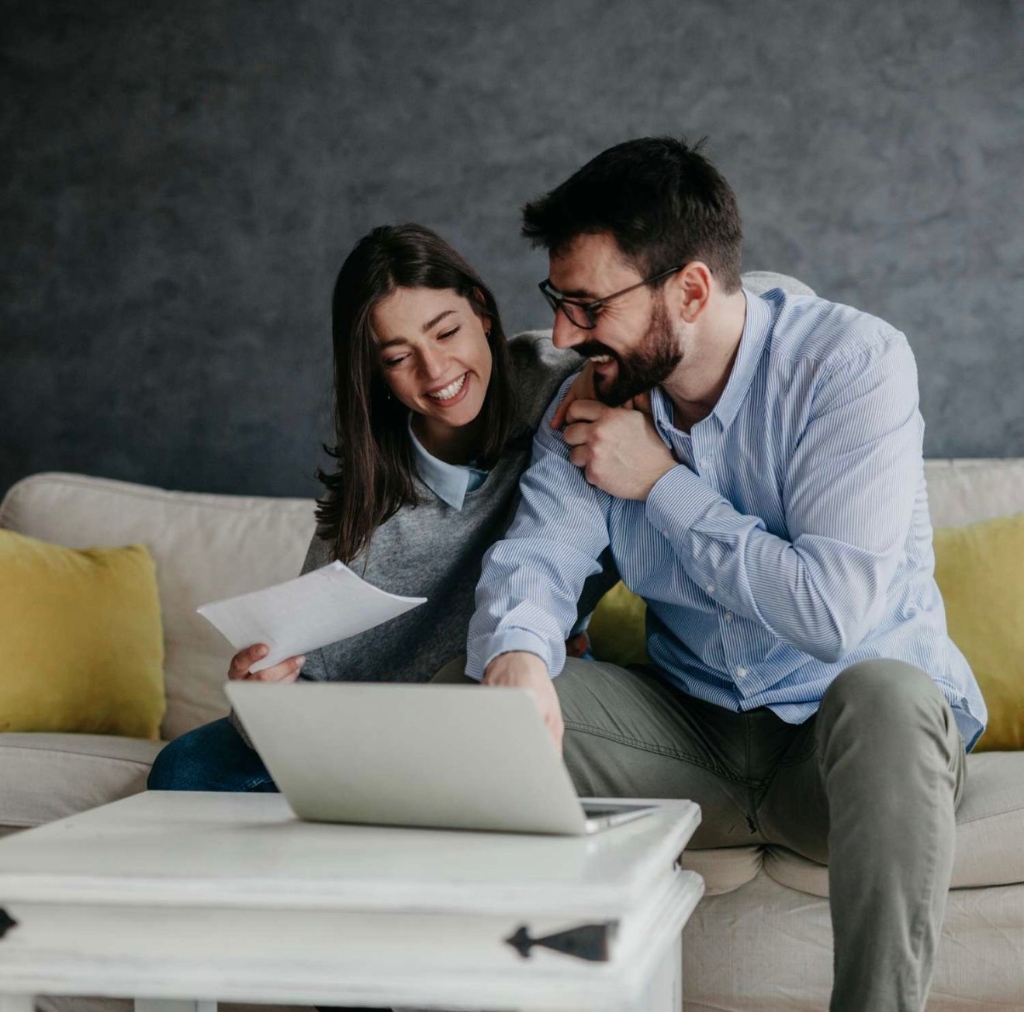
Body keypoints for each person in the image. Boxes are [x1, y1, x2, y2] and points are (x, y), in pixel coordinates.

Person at [456, 137, 987, 1012]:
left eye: (589, 305)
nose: (562, 335)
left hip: (845, 754)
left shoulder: (850, 366)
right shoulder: (593, 393)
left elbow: (833, 616)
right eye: (558, 301)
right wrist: (516, 653)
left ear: (692, 291)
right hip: (689, 740)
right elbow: (538, 558)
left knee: (889, 694)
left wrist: (661, 484)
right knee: (471, 694)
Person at [147, 222, 616, 793]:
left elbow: (679, 337)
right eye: (398, 357)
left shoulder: (564, 381)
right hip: (378, 725)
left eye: (447, 332)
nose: (436, 371)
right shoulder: (371, 507)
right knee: (186, 768)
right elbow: (301, 688)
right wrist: (262, 693)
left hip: (513, 688)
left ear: (482, 312)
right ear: (376, 372)